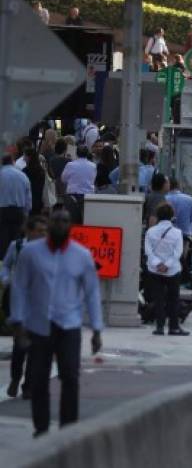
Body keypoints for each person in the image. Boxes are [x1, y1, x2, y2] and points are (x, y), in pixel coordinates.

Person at [10, 210, 103, 437]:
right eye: (56, 221)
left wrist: (96, 329)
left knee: (70, 376)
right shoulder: (31, 253)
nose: (60, 225)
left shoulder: (81, 255)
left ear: (71, 226)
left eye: (65, 221)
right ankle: (41, 427)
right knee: (39, 379)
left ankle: (68, 427)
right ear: (49, 224)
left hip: (69, 325)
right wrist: (18, 321)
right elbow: (20, 287)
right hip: (39, 325)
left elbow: (91, 293)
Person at [1, 215, 48, 399]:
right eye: (39, 231)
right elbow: (5, 266)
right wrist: (7, 280)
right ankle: (15, 378)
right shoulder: (17, 246)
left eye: (45, 231)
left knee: (37, 347)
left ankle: (29, 385)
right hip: (19, 301)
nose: (43, 235)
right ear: (29, 231)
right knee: (19, 345)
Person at [144, 203, 188, 336]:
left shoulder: (150, 231)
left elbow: (148, 251)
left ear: (157, 216)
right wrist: (167, 265)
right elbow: (178, 252)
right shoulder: (177, 232)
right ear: (172, 216)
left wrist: (158, 264)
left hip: (154, 270)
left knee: (158, 299)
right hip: (172, 271)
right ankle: (174, 327)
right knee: (173, 299)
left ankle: (159, 327)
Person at [0, 154, 32, 256]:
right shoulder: (22, 176)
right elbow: (28, 197)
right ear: (13, 162)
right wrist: (26, 213)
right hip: (18, 210)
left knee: (3, 237)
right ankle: (15, 260)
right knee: (17, 237)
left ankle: (3, 261)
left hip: (2, 210)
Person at [22, 149, 46, 216]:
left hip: (27, 201)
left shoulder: (25, 171)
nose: (23, 158)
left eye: (25, 156)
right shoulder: (41, 170)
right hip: (38, 201)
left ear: (29, 157)